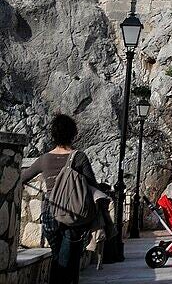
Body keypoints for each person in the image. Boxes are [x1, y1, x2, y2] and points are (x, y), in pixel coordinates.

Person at [19, 114, 100, 284]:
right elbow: (92, 184)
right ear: (73, 133)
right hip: (72, 214)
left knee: (58, 257)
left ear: (53, 135)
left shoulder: (44, 159)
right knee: (68, 261)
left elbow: (22, 178)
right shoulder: (79, 157)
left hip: (49, 213)